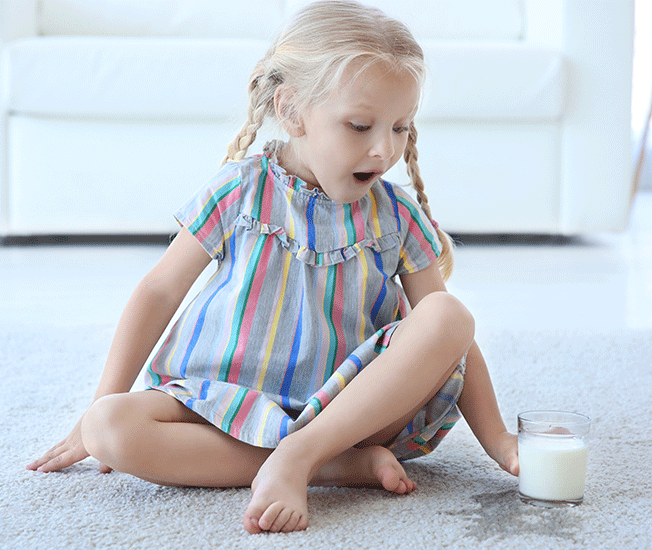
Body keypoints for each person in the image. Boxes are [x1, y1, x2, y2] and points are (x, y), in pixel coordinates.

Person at [26, 0, 519, 534]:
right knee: (108, 427)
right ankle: (332, 467)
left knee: (447, 312)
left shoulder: (395, 215)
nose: (384, 150)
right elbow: (159, 292)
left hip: (352, 408)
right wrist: (96, 407)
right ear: (291, 111)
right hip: (227, 400)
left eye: (401, 127)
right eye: (360, 126)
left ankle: (307, 450)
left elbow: (450, 338)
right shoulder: (239, 192)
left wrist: (499, 440)